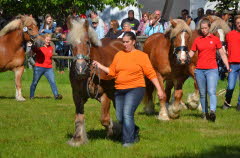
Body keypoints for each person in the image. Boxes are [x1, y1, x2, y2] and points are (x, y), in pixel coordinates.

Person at [92, 32, 164, 147]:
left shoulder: (141, 56)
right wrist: (99, 66)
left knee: (127, 114)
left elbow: (151, 73)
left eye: (127, 42)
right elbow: (112, 71)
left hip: (136, 88)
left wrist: (159, 89)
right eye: (123, 42)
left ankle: (128, 141)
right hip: (120, 89)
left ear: (134, 42)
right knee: (120, 117)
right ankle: (134, 130)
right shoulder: (119, 55)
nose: (124, 44)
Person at [188, 18, 230, 122]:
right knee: (202, 93)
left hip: (212, 69)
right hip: (199, 70)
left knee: (211, 91)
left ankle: (212, 112)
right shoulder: (197, 40)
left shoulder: (215, 39)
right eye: (202, 28)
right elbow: (191, 53)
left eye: (205, 28)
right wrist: (184, 58)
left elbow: (222, 53)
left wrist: (227, 66)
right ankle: (204, 112)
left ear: (209, 27)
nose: (203, 30)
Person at [30, 34, 62, 100]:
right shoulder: (39, 47)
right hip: (39, 67)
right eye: (47, 40)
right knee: (35, 82)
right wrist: (32, 45)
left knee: (52, 81)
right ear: (44, 40)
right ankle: (31, 96)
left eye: (49, 40)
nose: (48, 41)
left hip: (49, 68)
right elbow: (33, 49)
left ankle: (56, 96)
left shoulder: (51, 48)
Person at [222, 15, 240, 111]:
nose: (239, 24)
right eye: (238, 23)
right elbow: (224, 47)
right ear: (235, 24)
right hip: (233, 64)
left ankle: (239, 104)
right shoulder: (229, 35)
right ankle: (227, 102)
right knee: (231, 86)